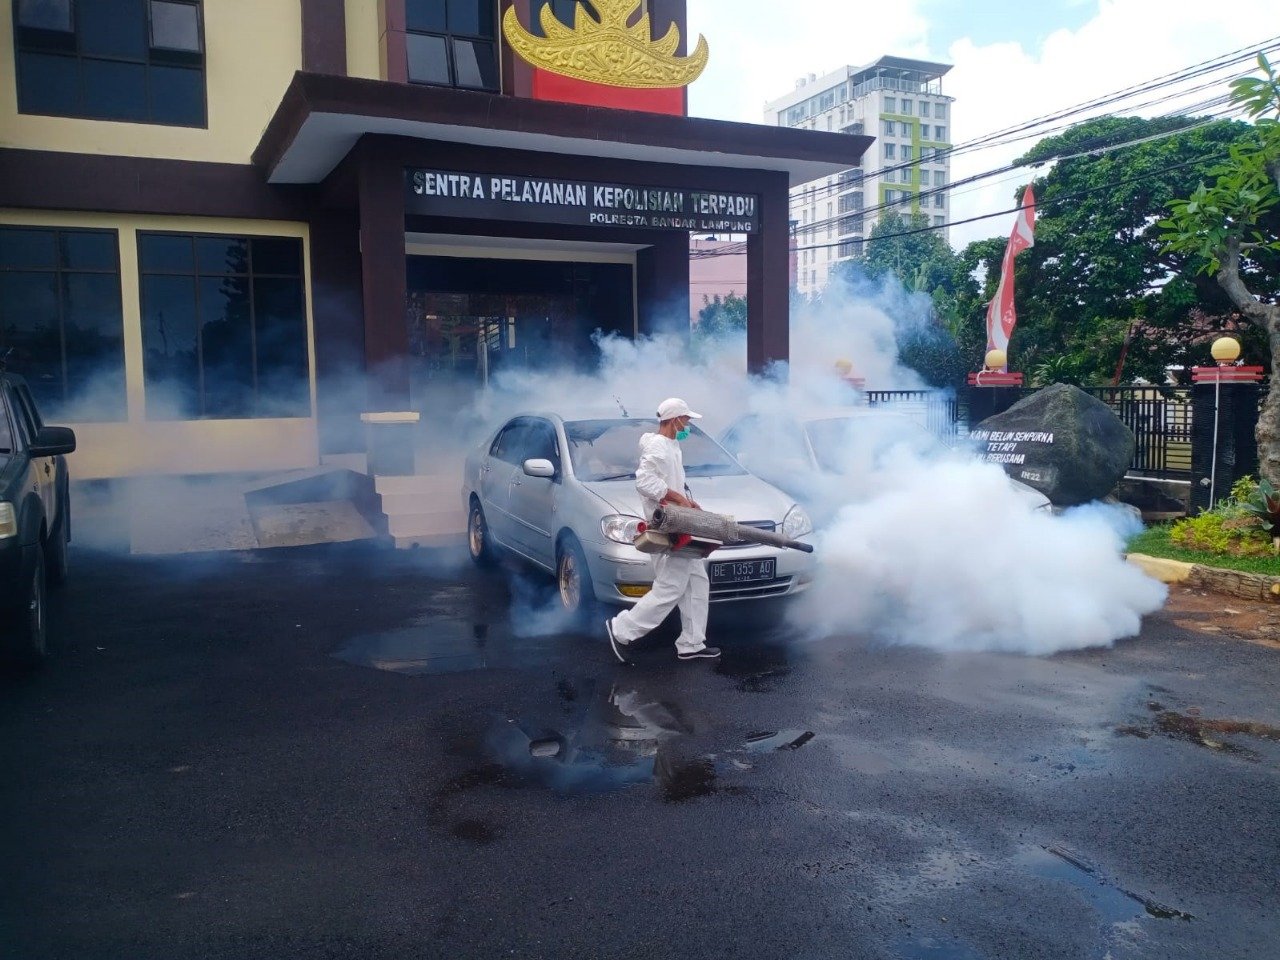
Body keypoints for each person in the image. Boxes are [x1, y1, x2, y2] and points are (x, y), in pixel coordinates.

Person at [605, 398, 720, 663]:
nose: (688, 425)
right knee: (670, 587)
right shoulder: (658, 445)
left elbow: (671, 484)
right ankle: (621, 629)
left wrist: (687, 501)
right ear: (674, 419)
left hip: (677, 521)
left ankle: (692, 643)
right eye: (686, 420)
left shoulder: (672, 445)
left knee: (696, 583)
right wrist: (677, 499)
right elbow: (645, 481)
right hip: (666, 527)